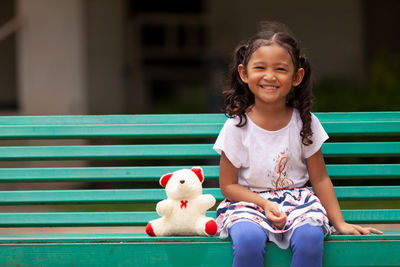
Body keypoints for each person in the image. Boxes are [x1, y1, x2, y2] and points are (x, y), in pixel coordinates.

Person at [213, 21, 382, 267]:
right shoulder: (237, 126)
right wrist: (265, 203)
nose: (270, 76)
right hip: (249, 204)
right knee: (248, 241)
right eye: (260, 67)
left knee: (311, 239)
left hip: (298, 202)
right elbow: (228, 185)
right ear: (244, 73)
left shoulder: (304, 122)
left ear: (297, 76)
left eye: (280, 69)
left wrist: (340, 223)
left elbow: (320, 179)